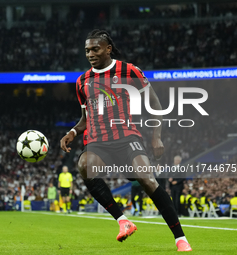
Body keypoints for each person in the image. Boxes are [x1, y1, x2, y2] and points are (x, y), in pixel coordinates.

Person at [60, 29, 191, 251]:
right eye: (87, 50)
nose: (90, 54)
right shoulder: (82, 81)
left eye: (95, 49)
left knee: (147, 179)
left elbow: (156, 105)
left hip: (127, 136)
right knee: (84, 165)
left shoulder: (129, 71)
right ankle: (122, 220)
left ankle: (180, 238)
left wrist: (156, 137)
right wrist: (72, 132)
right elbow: (85, 118)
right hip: (97, 141)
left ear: (108, 48)